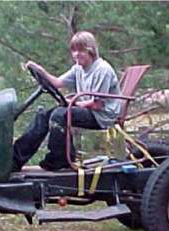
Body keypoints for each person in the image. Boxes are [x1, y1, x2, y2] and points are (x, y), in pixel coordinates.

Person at [13, 31, 121, 171]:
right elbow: (57, 82)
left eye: (81, 50)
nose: (76, 54)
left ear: (91, 50)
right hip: (89, 109)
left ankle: (59, 160)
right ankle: (15, 159)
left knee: (60, 115)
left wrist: (74, 103)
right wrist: (40, 71)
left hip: (102, 115)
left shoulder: (102, 70)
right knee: (44, 115)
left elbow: (97, 104)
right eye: (74, 50)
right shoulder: (78, 68)